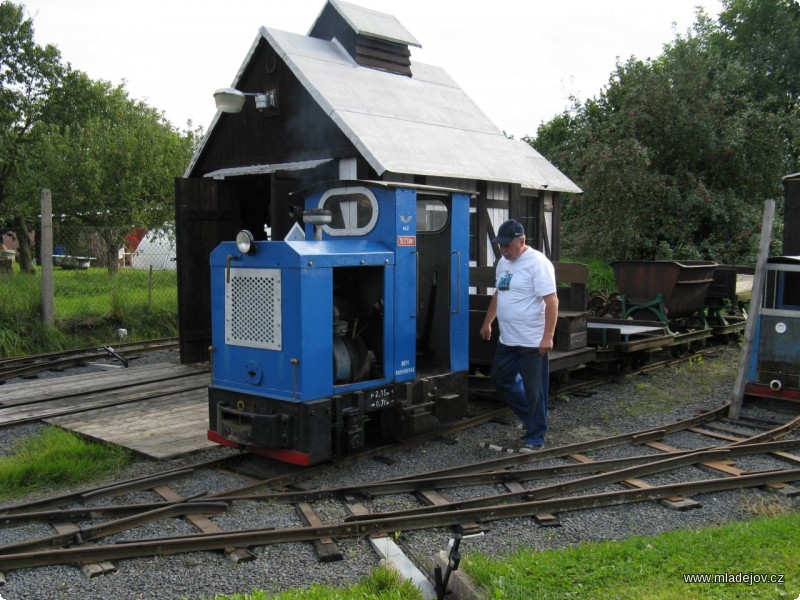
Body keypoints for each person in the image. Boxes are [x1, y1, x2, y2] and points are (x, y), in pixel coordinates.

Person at [479, 219, 558, 451]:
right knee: (501, 379)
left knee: (535, 390)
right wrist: (488, 322)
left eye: (507, 245)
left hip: (532, 340)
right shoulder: (503, 263)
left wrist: (548, 336)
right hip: (508, 338)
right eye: (500, 246)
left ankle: (536, 437)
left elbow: (552, 301)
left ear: (521, 241)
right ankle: (531, 417)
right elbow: (498, 294)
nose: (502, 250)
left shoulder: (538, 263)